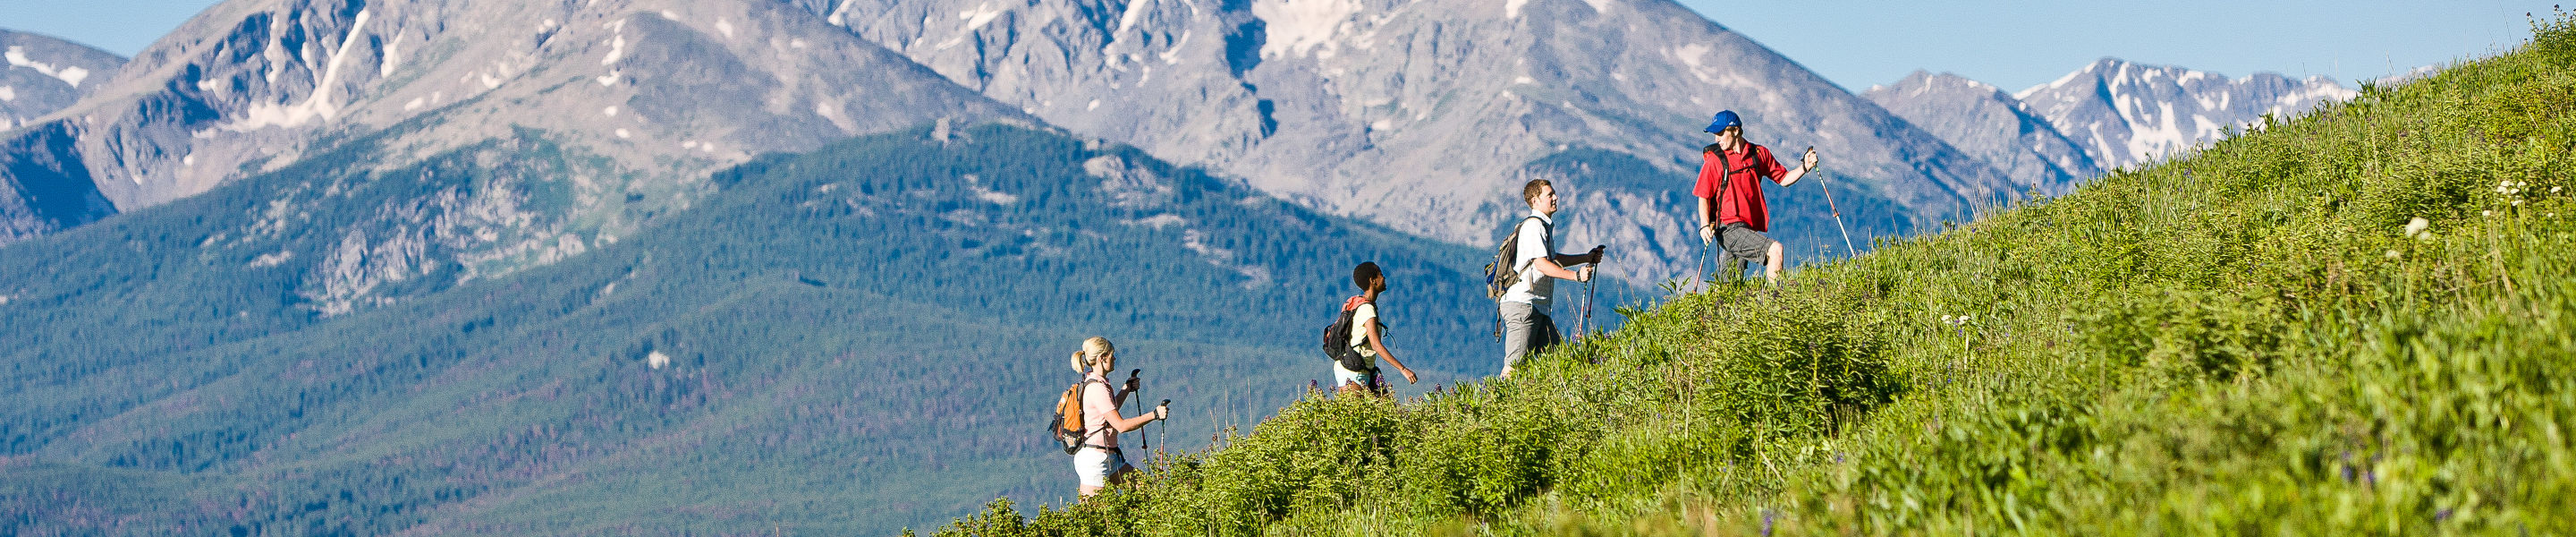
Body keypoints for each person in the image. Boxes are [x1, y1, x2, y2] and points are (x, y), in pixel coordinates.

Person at [1692, 110, 1818, 286]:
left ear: (1735, 131)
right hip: (1727, 228)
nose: (1717, 139)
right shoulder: (1715, 161)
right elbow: (1703, 195)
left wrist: (1805, 167)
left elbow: (1783, 179)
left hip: (1748, 228)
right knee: (1775, 250)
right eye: (1715, 134)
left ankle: (1722, 309)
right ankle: (1777, 305)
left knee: (1730, 285)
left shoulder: (1759, 154)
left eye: (1721, 133)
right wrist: (1704, 225)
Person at [1499, 179, 1604, 378]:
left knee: (1560, 360)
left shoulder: (1542, 227)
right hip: (1523, 306)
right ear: (1535, 201)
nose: (1555, 197)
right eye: (1550, 195)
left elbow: (1552, 259)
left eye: (1554, 193)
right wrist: (1576, 276)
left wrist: (1586, 257)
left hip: (1536, 307)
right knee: (1514, 366)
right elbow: (1542, 264)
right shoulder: (1534, 227)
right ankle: (1494, 405)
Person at [1066, 337, 1169, 498]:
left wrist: (1126, 389)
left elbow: (1108, 412)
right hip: (1095, 461)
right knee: (1092, 517)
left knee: (1147, 490)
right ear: (1102, 358)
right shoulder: (1098, 389)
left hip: (1108, 457)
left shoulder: (1096, 382)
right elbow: (1121, 426)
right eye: (1111, 355)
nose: (1114, 358)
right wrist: (1154, 415)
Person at [1335, 261, 1419, 394]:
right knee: (1354, 414)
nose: (1384, 278)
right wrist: (1403, 369)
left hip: (1366, 370)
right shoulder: (1367, 309)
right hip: (1353, 373)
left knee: (1389, 412)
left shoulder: (1362, 304)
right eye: (1381, 275)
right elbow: (1376, 345)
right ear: (1373, 280)